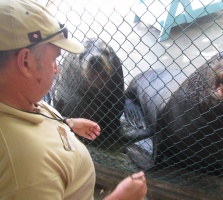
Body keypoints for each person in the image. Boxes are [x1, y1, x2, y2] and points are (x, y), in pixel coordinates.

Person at [0, 0, 147, 199]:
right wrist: (120, 197)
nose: (57, 69)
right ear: (25, 62)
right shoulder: (26, 172)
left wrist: (66, 125)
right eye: (53, 60)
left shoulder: (18, 101)